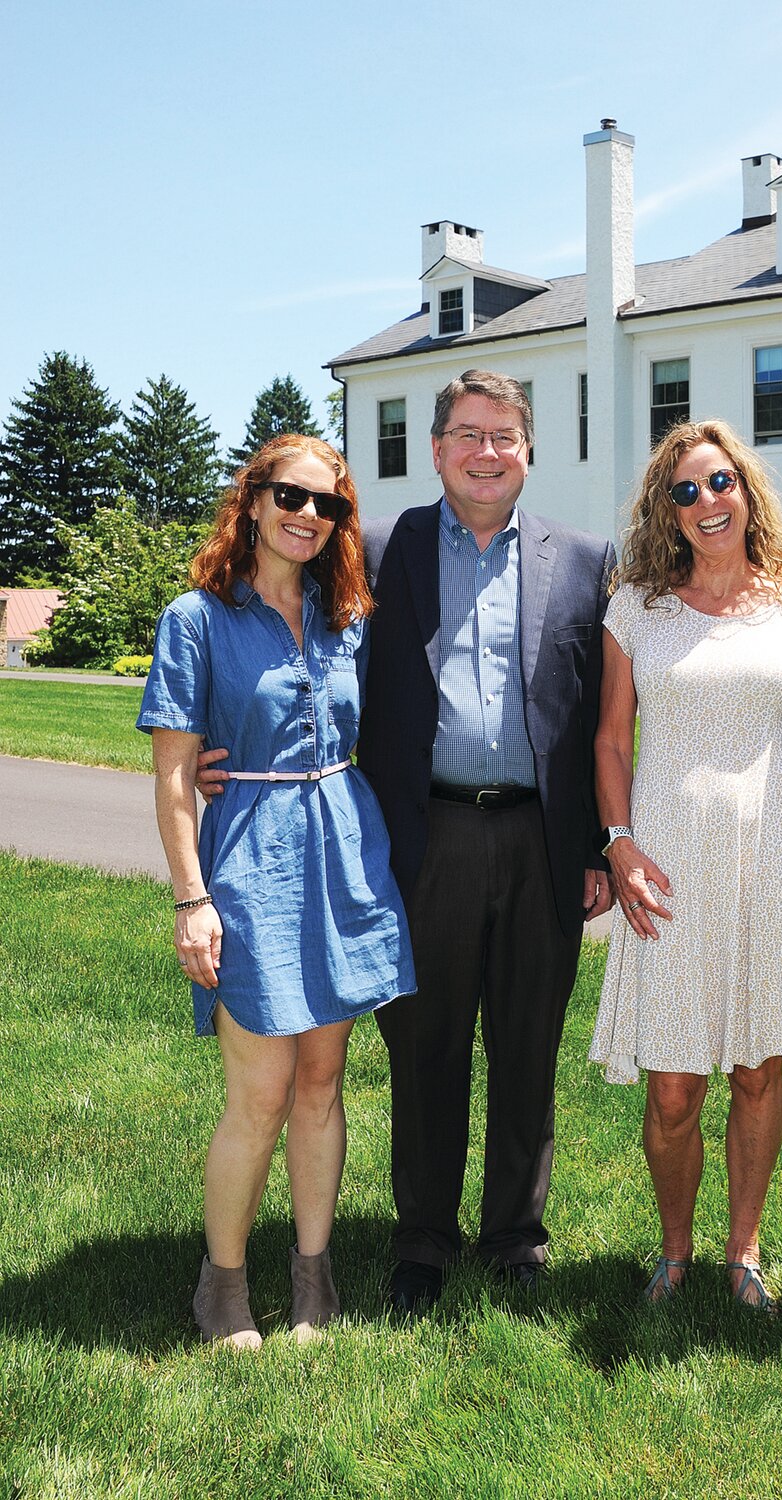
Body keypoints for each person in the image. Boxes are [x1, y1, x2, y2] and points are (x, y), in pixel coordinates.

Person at [138, 434, 416, 1349]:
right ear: (253, 502)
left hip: (343, 855)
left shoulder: (350, 617)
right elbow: (176, 774)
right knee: (258, 1093)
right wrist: (191, 898)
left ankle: (312, 1273)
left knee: (322, 1082)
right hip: (248, 864)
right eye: (291, 498)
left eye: (328, 505)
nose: (308, 516)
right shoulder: (196, 618)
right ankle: (222, 1284)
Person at [346, 370, 615, 1311]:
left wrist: (595, 846)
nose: (486, 451)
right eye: (467, 433)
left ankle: (512, 1238)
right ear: (436, 449)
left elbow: (601, 719)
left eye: (504, 434)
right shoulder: (378, 550)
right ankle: (420, 1240)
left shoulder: (586, 561)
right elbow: (305, 659)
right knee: (423, 1047)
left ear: (530, 449)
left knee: (527, 1044)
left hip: (542, 843)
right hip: (426, 839)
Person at [590, 419, 782, 1308]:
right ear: (666, 510)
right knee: (672, 1085)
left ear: (747, 489)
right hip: (668, 859)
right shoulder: (637, 610)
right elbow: (611, 740)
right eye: (684, 491)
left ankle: (743, 1251)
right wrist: (618, 844)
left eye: (719, 483)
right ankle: (673, 1250)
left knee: (758, 1068)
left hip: (770, 850)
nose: (706, 503)